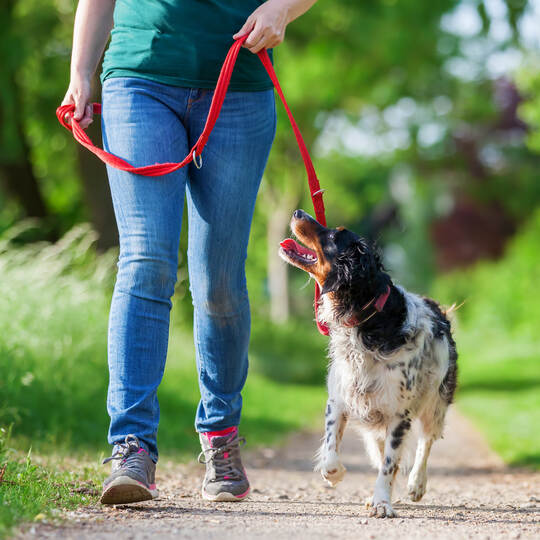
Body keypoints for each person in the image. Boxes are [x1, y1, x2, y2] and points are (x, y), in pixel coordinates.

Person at [61, 0, 317, 505]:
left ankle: (221, 436)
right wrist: (80, 74)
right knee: (145, 261)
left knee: (217, 279)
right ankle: (131, 445)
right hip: (139, 77)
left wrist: (282, 10)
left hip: (238, 84)